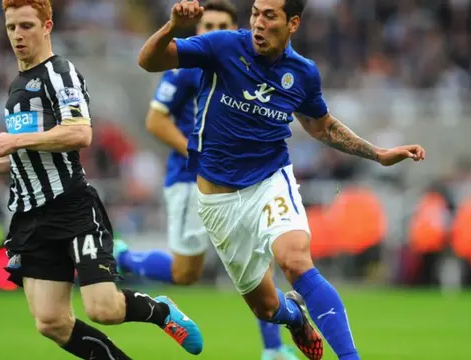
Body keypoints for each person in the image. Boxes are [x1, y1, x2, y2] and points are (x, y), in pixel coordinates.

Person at [137, 0, 427, 359]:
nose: (258, 22)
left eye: (269, 15)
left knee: (295, 260)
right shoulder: (223, 45)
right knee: (266, 308)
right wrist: (171, 26)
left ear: (293, 23)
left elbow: (323, 127)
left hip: (269, 181)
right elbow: (149, 60)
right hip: (218, 201)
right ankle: (295, 319)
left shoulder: (302, 73)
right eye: (255, 12)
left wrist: (378, 154)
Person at [0, 1, 203, 359]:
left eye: (26, 26)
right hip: (32, 220)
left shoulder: (60, 73)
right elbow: (37, 156)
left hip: (72, 209)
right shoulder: (16, 87)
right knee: (50, 321)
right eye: (11, 28)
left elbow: (79, 133)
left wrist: (16, 141)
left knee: (103, 309)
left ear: (47, 25)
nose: (18, 36)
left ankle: (161, 311)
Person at [115, 1, 298, 359]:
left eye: (221, 25)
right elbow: (156, 121)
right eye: (207, 24)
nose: (213, 31)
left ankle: (274, 349)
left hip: (239, 180)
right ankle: (124, 260)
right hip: (189, 179)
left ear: (235, 30)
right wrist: (198, 154)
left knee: (262, 255)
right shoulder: (185, 68)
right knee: (186, 273)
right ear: (198, 30)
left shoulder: (244, 65)